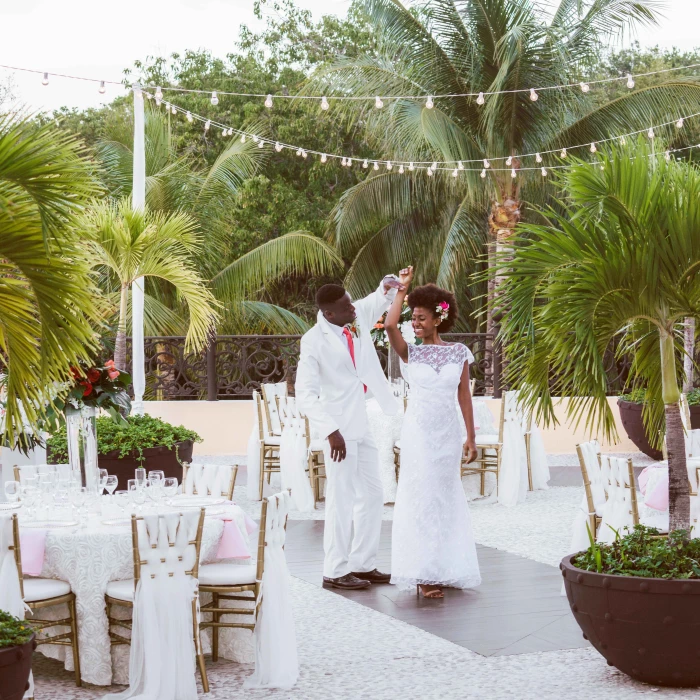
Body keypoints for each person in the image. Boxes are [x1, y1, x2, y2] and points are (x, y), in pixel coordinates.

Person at [295, 274, 408, 590]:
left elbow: (373, 303)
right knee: (341, 499)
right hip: (338, 431)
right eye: (347, 307)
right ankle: (334, 570)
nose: (354, 309)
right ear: (329, 314)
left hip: (361, 423)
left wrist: (385, 287)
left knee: (374, 493)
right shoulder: (313, 341)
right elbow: (305, 393)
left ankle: (363, 563)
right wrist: (330, 431)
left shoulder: (351, 317)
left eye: (351, 303)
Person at [385, 267, 482, 599]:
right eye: (414, 317)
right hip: (419, 435)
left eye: (422, 318)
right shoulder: (411, 352)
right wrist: (402, 291)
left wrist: (471, 437)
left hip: (448, 435)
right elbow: (388, 325)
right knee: (422, 499)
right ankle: (423, 573)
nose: (416, 323)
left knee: (444, 499)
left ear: (439, 318)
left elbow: (464, 396)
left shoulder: (458, 353)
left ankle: (443, 567)